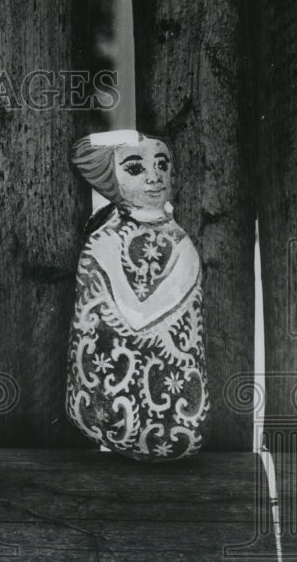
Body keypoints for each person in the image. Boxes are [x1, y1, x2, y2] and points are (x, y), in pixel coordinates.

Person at [66, 129, 208, 460]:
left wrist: (111, 265)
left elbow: (141, 318)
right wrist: (132, 135)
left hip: (168, 408)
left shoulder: (180, 245)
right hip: (106, 390)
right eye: (134, 168)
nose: (154, 176)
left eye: (162, 164)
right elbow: (80, 151)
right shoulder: (108, 235)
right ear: (111, 179)